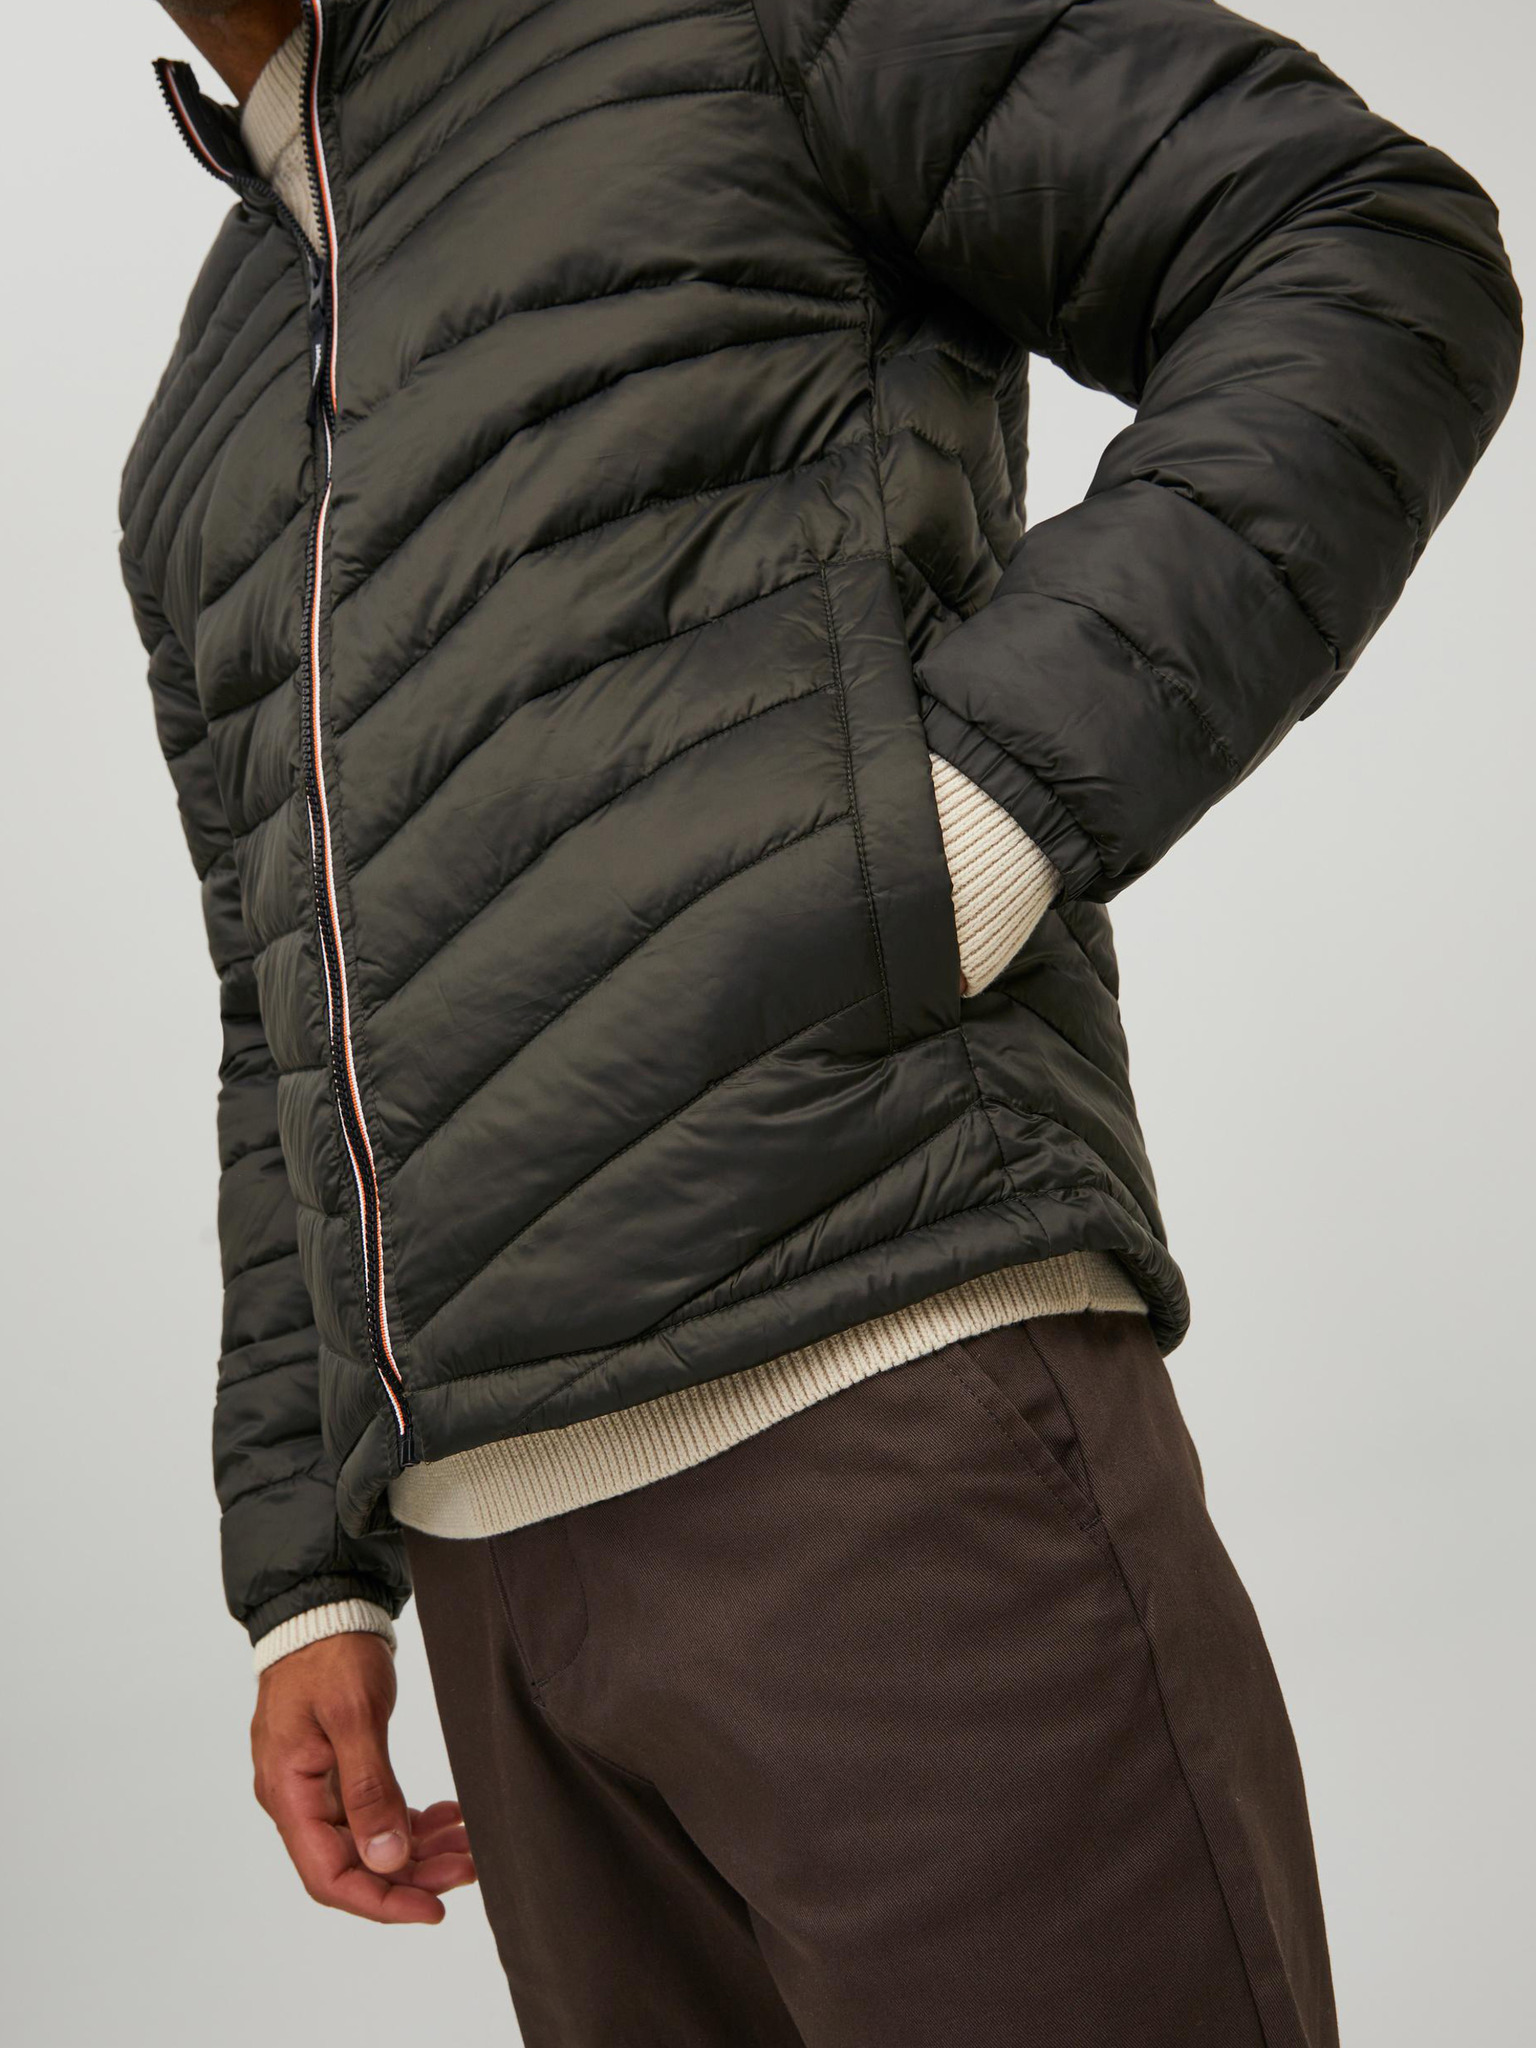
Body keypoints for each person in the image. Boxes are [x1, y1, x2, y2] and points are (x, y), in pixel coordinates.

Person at [124, 0, 1519, 2039]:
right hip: (506, 1610)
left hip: (883, 1430)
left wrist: (987, 811)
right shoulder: (196, 425)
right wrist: (304, 1575)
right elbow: (275, 1006)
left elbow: (1359, 243)